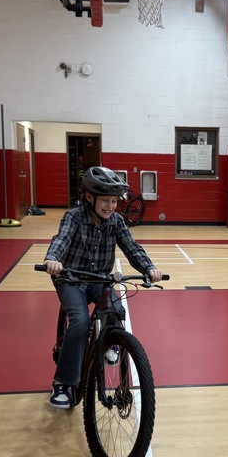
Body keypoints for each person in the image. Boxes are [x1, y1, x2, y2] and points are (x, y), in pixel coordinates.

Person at [42, 166, 162, 409]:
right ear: (89, 197)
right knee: (80, 321)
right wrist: (52, 259)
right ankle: (63, 383)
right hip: (71, 277)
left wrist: (148, 267)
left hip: (99, 278)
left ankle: (109, 343)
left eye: (114, 201)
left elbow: (131, 246)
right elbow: (61, 239)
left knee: (117, 311)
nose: (110, 206)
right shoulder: (74, 217)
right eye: (105, 200)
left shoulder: (116, 221)